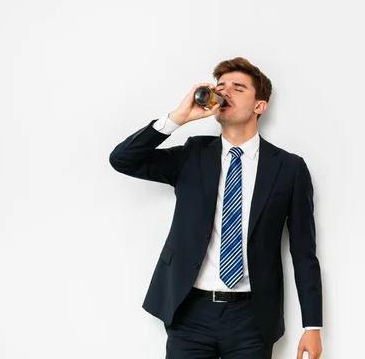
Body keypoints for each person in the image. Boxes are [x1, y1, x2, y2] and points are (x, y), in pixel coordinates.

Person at [109, 57, 323, 359]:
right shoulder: (192, 155)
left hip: (253, 318)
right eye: (220, 87)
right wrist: (178, 118)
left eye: (238, 88)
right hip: (190, 313)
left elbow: (303, 251)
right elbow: (122, 160)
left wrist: (312, 326)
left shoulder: (289, 168)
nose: (225, 93)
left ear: (259, 106)